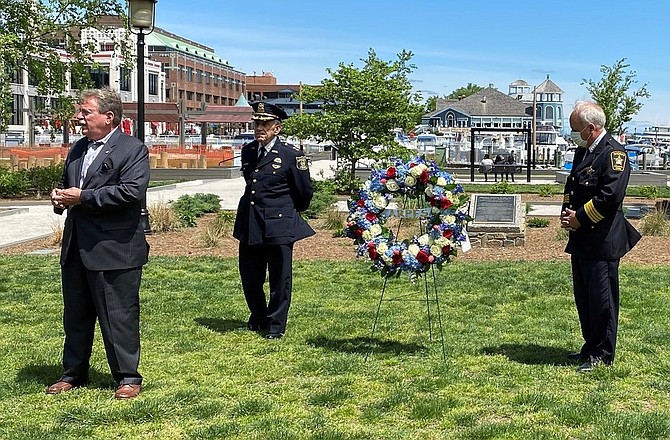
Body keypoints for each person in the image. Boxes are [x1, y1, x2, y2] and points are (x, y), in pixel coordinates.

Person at [48, 87, 150, 399]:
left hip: (114, 249)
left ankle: (128, 378)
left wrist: (83, 197)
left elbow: (130, 192)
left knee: (118, 315)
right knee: (76, 316)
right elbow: (71, 185)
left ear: (108, 117)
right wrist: (60, 198)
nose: (78, 118)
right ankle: (73, 373)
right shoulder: (78, 148)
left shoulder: (133, 149)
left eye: (85, 112)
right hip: (76, 247)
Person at [560, 101, 641, 373]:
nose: (572, 134)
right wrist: (566, 215)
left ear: (591, 128)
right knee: (584, 298)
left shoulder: (613, 154)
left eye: (575, 129)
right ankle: (590, 347)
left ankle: (603, 353)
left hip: (602, 239)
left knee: (602, 300)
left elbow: (609, 198)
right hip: (581, 238)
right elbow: (572, 187)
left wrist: (579, 218)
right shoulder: (583, 151)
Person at [233, 102, 314, 339]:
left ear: (276, 129)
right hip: (251, 222)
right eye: (257, 123)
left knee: (280, 278)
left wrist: (287, 212)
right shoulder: (248, 151)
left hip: (279, 223)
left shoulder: (291, 156)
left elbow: (304, 192)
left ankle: (276, 325)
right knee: (250, 276)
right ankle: (258, 316)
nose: (259, 128)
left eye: (265, 124)